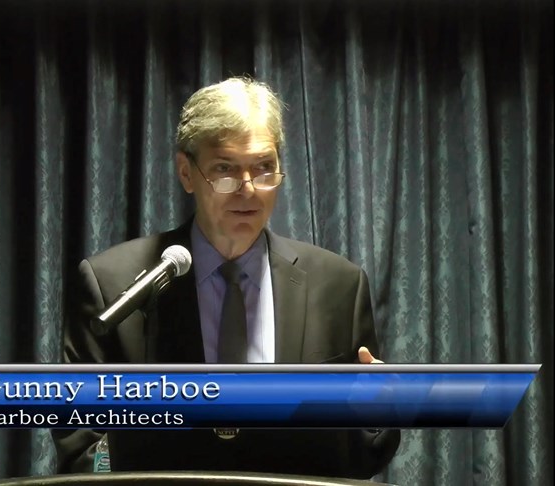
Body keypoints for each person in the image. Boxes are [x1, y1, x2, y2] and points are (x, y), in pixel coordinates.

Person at [53, 77, 400, 479]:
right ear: (186, 173)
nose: (248, 190)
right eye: (225, 170)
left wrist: (380, 414)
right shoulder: (113, 283)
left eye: (264, 168)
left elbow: (365, 453)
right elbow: (79, 444)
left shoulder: (339, 285)